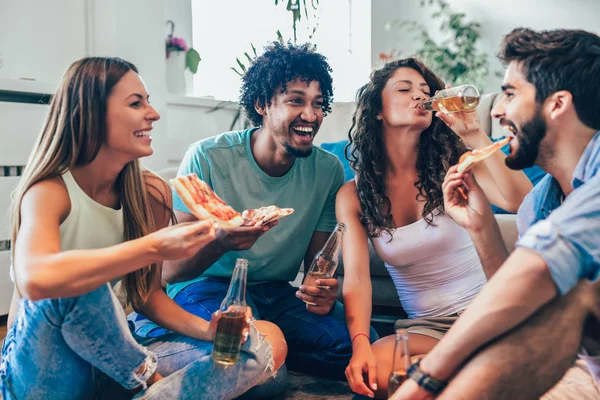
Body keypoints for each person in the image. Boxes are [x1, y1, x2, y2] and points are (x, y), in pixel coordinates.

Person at [0, 57, 286, 400]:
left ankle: (151, 390)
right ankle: (149, 383)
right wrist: (154, 247)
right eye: (137, 103)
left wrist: (208, 330)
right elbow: (36, 279)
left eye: (148, 101)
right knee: (78, 278)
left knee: (263, 351)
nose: (153, 113)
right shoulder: (49, 191)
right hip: (42, 367)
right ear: (90, 112)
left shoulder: (149, 191)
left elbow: (145, 295)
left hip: (111, 359)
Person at [130, 41, 377, 380]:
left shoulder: (327, 171)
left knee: (359, 347)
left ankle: (270, 358)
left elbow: (316, 270)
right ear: (261, 104)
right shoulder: (207, 157)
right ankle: (254, 360)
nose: (311, 115)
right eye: (296, 101)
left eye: (318, 104)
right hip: (206, 286)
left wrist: (321, 291)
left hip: (275, 293)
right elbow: (171, 272)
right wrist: (222, 241)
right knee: (254, 364)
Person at [392, 28, 600, 400]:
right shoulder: (540, 203)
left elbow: (539, 266)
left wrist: (424, 380)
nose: (498, 110)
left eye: (509, 94)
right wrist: (481, 226)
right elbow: (526, 306)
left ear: (557, 104)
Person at [337, 57, 533, 398]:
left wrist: (472, 131)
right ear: (377, 110)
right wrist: (360, 345)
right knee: (376, 375)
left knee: (415, 384)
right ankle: (475, 373)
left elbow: (523, 202)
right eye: (404, 89)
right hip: (427, 330)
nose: (419, 96)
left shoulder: (455, 163)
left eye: (426, 91)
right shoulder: (354, 195)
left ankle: (465, 372)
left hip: (486, 311)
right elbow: (356, 279)